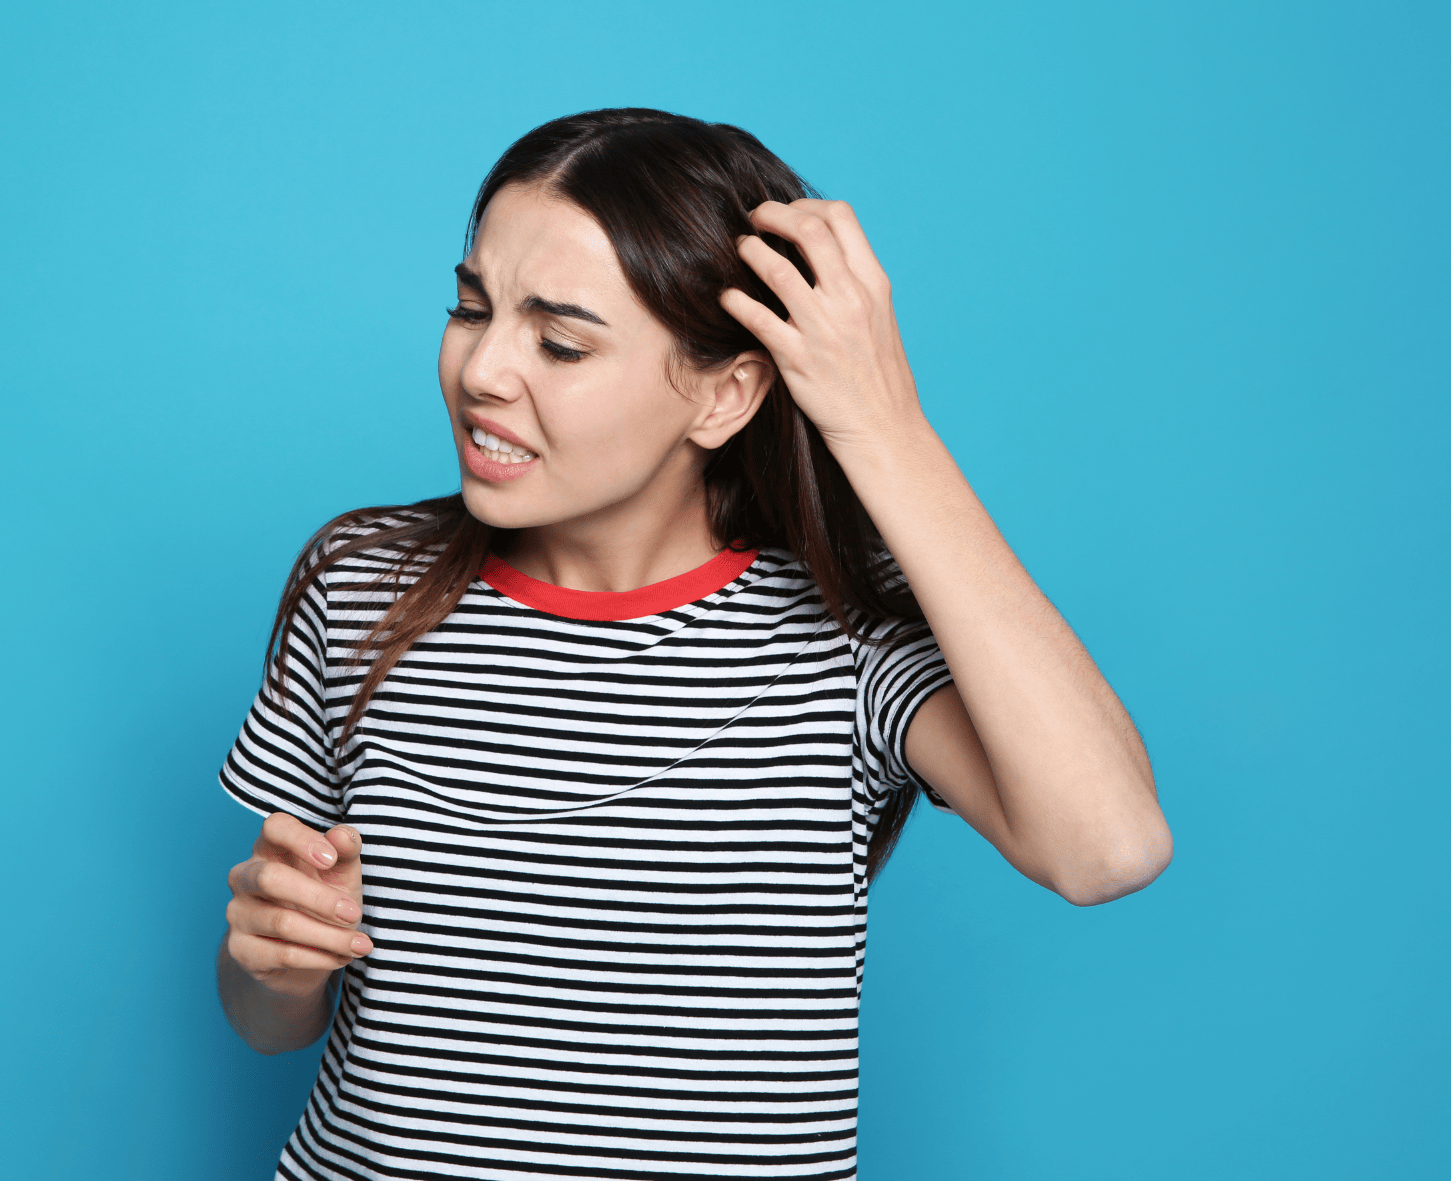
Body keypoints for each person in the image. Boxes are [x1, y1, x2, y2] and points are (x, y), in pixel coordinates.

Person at [214, 107, 1171, 1180]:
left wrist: (884, 424)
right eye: (470, 307)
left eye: (560, 340)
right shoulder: (360, 587)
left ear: (723, 394)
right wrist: (277, 963)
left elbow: (1109, 846)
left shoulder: (847, 640)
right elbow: (269, 1020)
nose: (482, 368)